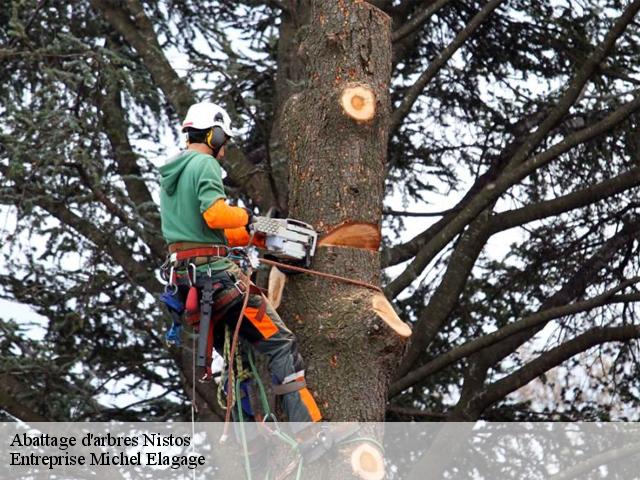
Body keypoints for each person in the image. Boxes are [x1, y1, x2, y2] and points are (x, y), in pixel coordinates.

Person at [158, 101, 321, 425]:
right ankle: (307, 431)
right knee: (281, 343)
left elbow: (202, 232)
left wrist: (252, 235)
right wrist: (249, 217)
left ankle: (254, 440)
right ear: (213, 136)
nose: (224, 150)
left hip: (189, 280)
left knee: (240, 359)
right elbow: (216, 214)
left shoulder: (172, 175)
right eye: (224, 141)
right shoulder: (204, 164)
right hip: (218, 279)